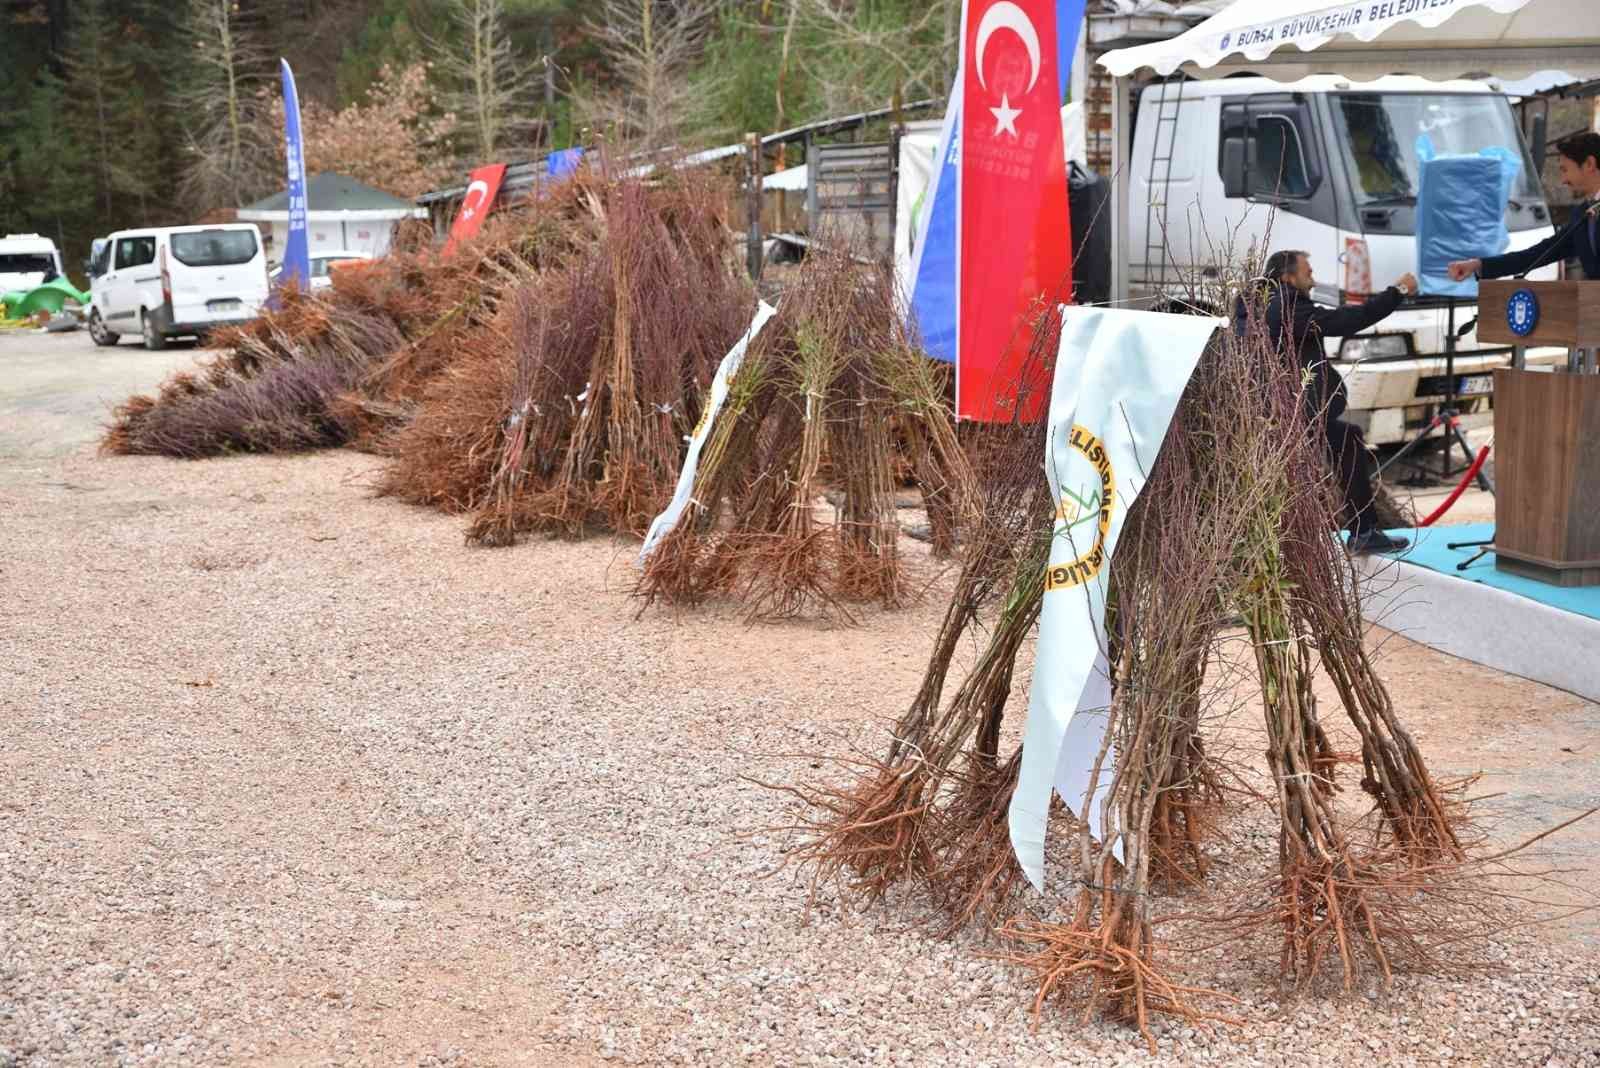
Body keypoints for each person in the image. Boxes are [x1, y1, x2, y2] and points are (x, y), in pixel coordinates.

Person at [1234, 250, 1418, 554]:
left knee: (1346, 438)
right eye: (1307, 273)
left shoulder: (1253, 306)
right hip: (1289, 414)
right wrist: (1396, 292)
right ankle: (1362, 531)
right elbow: (1348, 319)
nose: (1313, 279)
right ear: (1287, 277)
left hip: (1262, 411)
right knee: (1346, 441)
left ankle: (1361, 530)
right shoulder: (1289, 307)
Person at [1448, 131, 1600, 282]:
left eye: (1565, 170)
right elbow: (1536, 255)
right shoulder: (1582, 215)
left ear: (1589, 164)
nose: (1563, 180)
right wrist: (1479, 265)